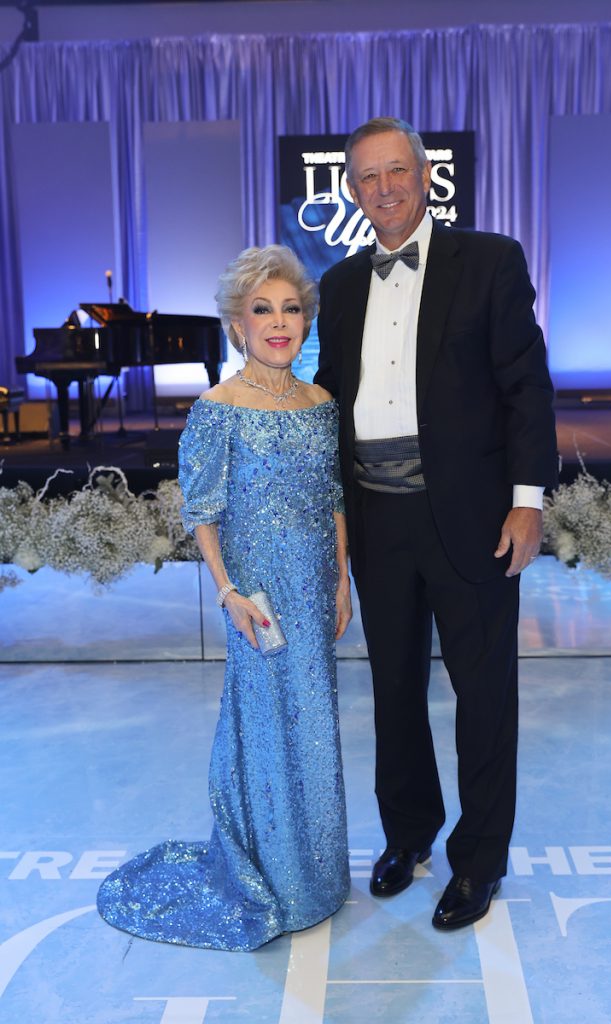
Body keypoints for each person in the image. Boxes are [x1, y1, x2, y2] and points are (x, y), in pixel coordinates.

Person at [315, 117, 557, 930]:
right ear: (352, 189)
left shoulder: (489, 260)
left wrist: (528, 500)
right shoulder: (341, 284)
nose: (382, 189)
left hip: (471, 519)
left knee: (483, 695)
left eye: (396, 172)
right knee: (392, 692)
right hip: (377, 523)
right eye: (366, 177)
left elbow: (526, 385)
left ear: (425, 178)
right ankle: (405, 836)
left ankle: (477, 863)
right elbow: (326, 401)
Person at [97, 245, 352, 951]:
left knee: (314, 724)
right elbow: (201, 509)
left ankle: (316, 874)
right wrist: (228, 591)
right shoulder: (217, 407)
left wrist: (340, 578)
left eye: (291, 309)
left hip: (312, 586)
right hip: (256, 594)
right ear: (238, 325)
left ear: (306, 321)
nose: (278, 323)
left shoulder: (321, 403)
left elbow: (333, 497)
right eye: (261, 310)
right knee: (265, 725)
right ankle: (272, 874)